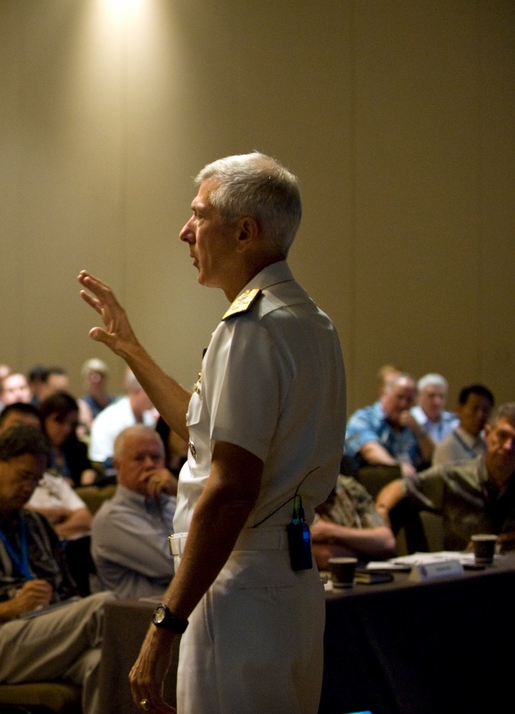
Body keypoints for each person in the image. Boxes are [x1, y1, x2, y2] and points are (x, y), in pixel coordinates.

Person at [79, 152, 346, 712]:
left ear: (245, 232)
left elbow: (229, 491)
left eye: (199, 214)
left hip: (238, 584)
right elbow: (207, 434)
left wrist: (164, 623)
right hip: (288, 582)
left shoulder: (249, 328)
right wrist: (131, 348)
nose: (185, 231)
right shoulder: (310, 321)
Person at [0, 426, 114, 713]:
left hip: (47, 634)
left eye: (36, 480)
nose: (29, 488)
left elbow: (68, 592)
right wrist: (13, 607)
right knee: (106, 605)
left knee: (103, 663)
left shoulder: (37, 525)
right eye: (24, 476)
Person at [376, 402, 515, 550]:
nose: (508, 446)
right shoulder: (454, 476)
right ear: (486, 434)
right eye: (502, 436)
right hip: (464, 568)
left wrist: (506, 539)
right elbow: (400, 486)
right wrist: (381, 512)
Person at [0, 403, 93, 540]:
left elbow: (84, 518)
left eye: (32, 430)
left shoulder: (49, 477)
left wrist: (45, 539)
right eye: (17, 427)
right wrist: (58, 514)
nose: (29, 487)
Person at [91, 425, 176, 599]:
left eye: (156, 457)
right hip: (141, 618)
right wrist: (181, 494)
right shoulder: (112, 519)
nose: (150, 465)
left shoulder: (172, 503)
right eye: (139, 458)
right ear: (117, 465)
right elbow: (177, 563)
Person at [343, 372, 430, 477]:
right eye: (399, 397)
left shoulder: (413, 425)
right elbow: (370, 450)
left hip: (409, 484)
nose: (403, 404)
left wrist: (418, 431)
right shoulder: (364, 418)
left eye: (409, 400)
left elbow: (431, 457)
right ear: (385, 394)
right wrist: (398, 468)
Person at [311, 476, 396, 569]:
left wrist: (331, 531)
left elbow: (387, 541)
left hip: (362, 572)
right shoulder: (297, 492)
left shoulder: (348, 486)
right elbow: (324, 556)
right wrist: (367, 547)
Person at [87, 369, 156, 468]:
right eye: (151, 392)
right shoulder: (109, 420)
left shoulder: (149, 417)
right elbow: (104, 464)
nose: (155, 398)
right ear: (136, 391)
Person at [38, 391, 98, 486]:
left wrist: (89, 474)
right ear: (43, 419)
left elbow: (86, 473)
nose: (67, 429)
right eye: (60, 421)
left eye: (72, 424)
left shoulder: (78, 449)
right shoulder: (35, 452)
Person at [432, 384, 494, 466]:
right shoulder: (447, 448)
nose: (480, 415)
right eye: (475, 408)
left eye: (485, 410)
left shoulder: (487, 444)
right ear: (459, 410)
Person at [410, 373, 459, 446]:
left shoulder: (452, 422)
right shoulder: (410, 419)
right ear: (418, 397)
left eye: (441, 396)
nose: (437, 402)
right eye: (431, 396)